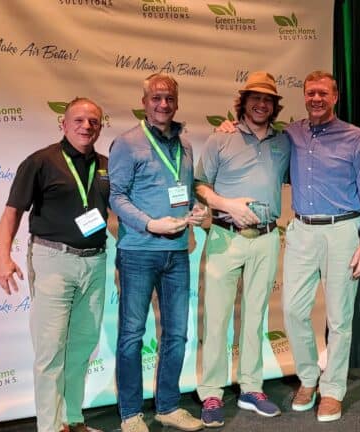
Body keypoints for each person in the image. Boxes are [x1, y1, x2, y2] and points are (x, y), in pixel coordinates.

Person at [0, 97, 110, 432]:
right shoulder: (40, 161)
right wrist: (3, 257)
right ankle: (49, 427)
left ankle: (72, 420)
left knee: (81, 348)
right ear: (63, 123)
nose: (86, 126)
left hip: (95, 262)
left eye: (93, 121)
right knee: (50, 353)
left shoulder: (105, 165)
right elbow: (11, 212)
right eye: (79, 120)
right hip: (53, 261)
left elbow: (110, 216)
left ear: (100, 126)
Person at [283, 70, 360, 422]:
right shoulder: (291, 133)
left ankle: (333, 389)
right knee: (294, 310)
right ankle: (309, 378)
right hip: (302, 230)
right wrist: (228, 127)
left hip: (343, 231)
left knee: (340, 319)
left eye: (323, 93)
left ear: (335, 96)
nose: (316, 99)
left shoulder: (354, 137)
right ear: (304, 96)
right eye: (311, 92)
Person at [109, 73, 207, 432]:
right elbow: (116, 197)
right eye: (156, 98)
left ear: (177, 102)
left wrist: (195, 211)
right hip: (138, 252)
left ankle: (167, 406)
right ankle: (130, 414)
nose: (163, 104)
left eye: (169, 98)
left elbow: (184, 191)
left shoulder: (185, 143)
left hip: (177, 252)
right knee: (133, 334)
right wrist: (151, 224)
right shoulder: (127, 143)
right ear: (144, 101)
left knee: (177, 334)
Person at [194, 71, 291, 427]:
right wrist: (226, 203)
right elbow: (199, 184)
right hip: (224, 235)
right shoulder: (221, 138)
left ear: (274, 106)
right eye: (255, 98)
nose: (261, 104)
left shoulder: (284, 142)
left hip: (266, 239)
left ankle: (251, 387)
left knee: (255, 319)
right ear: (244, 101)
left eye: (268, 99)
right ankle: (212, 392)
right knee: (217, 319)